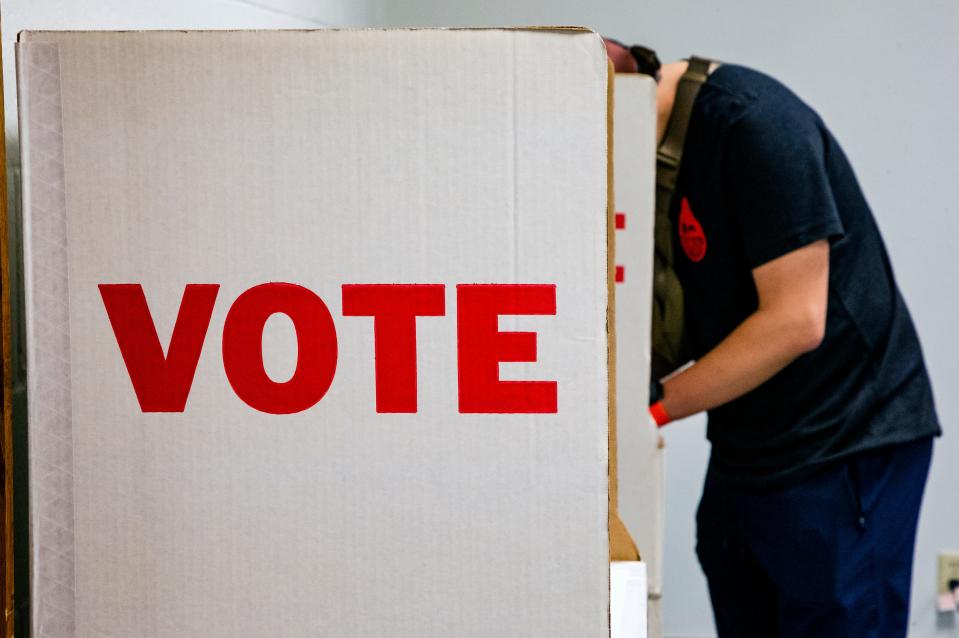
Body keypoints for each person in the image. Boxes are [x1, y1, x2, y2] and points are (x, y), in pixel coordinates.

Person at [605, 39, 942, 638]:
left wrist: (647, 410)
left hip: (845, 439)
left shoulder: (754, 123)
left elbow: (796, 321)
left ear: (618, 103)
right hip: (749, 444)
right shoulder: (650, 164)